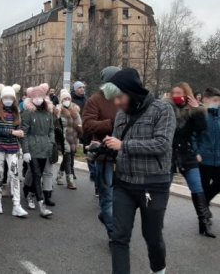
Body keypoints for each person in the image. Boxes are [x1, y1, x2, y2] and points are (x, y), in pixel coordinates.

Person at [102, 68, 175, 274]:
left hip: (153, 185)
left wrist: (124, 145)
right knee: (119, 237)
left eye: (119, 97)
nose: (116, 103)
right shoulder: (120, 115)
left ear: (132, 91)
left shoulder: (163, 110)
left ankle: (158, 270)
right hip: (124, 184)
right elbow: (117, 145)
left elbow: (162, 144)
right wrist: (102, 148)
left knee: (152, 236)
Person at [167, 82, 213, 237]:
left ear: (186, 94)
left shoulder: (193, 111)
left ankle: (205, 223)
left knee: (197, 187)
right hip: (170, 154)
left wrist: (197, 110)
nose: (175, 95)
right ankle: (155, 220)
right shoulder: (167, 109)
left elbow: (201, 129)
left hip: (187, 154)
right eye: (173, 92)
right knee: (162, 187)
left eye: (179, 92)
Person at [83, 66, 120, 240]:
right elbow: (88, 125)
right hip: (105, 155)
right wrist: (111, 123)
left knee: (122, 197)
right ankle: (113, 234)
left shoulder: (125, 98)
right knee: (108, 196)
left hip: (124, 155)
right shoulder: (95, 100)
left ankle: (107, 216)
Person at [0, 84, 28, 217]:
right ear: (1, 97)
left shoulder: (16, 111)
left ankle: (17, 205)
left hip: (12, 148)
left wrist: (21, 133)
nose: (8, 99)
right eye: (5, 97)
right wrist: (13, 132)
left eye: (10, 97)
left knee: (15, 175)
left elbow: (20, 128)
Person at [21, 83, 56, 218]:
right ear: (31, 99)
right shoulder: (28, 113)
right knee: (36, 173)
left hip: (45, 148)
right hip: (32, 148)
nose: (38, 99)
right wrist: (25, 151)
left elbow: (51, 130)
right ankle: (42, 205)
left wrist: (51, 142)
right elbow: (24, 132)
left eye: (40, 97)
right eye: (35, 97)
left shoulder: (47, 113)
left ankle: (29, 192)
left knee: (39, 174)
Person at [194, 88, 220, 225]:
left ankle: (204, 204)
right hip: (203, 158)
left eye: (219, 100)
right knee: (203, 186)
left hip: (219, 158)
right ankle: (204, 217)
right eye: (214, 100)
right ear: (205, 99)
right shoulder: (200, 115)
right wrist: (196, 152)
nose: (217, 103)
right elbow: (193, 136)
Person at [55, 89, 82, 190]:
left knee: (69, 156)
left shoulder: (75, 109)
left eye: (68, 98)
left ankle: (59, 175)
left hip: (74, 137)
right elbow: (56, 125)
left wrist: (80, 132)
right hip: (64, 137)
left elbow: (79, 123)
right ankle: (70, 181)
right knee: (68, 157)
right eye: (64, 98)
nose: (66, 100)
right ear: (61, 100)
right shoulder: (58, 110)